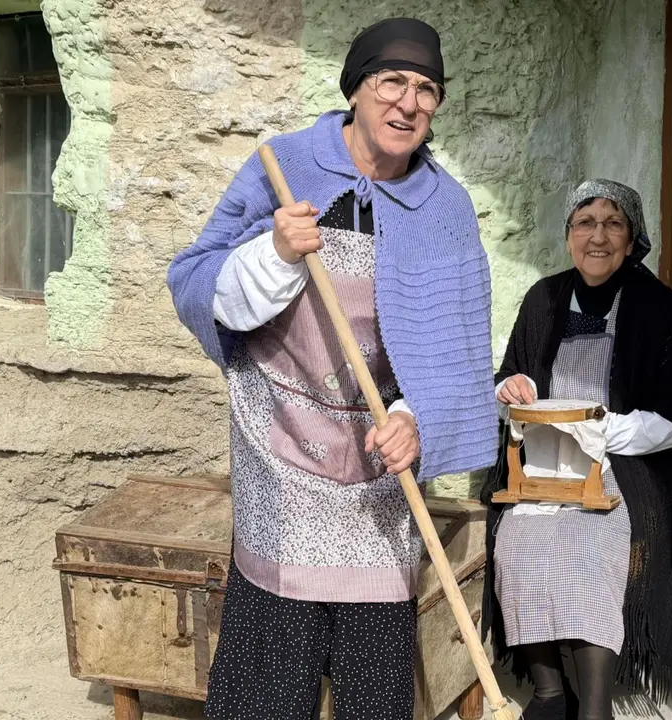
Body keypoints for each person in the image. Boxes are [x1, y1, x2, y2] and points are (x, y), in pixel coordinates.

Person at [166, 17, 497, 720]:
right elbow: (195, 279)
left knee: (374, 694)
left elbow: (457, 353)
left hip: (380, 478)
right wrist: (275, 253)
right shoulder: (282, 166)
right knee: (268, 690)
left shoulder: (446, 211)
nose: (408, 103)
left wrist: (418, 423)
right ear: (356, 89)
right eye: (392, 82)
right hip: (281, 459)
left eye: (426, 89)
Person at [480, 179, 672, 719]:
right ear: (568, 237)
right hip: (548, 458)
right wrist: (512, 391)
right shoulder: (544, 298)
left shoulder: (660, 308)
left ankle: (597, 705)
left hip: (631, 458)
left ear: (632, 241)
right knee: (517, 539)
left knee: (593, 542)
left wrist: (602, 433)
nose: (599, 236)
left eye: (613, 224)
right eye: (585, 223)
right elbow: (511, 377)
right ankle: (549, 690)